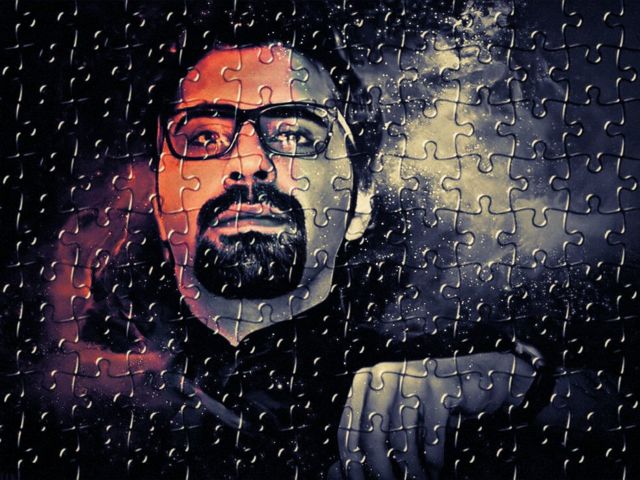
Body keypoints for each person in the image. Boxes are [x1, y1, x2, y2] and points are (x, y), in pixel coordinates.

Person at [29, 3, 635, 480]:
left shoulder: (448, 381)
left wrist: (526, 388)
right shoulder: (62, 409)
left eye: (296, 135)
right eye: (205, 137)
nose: (250, 164)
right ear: (157, 193)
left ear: (360, 198)